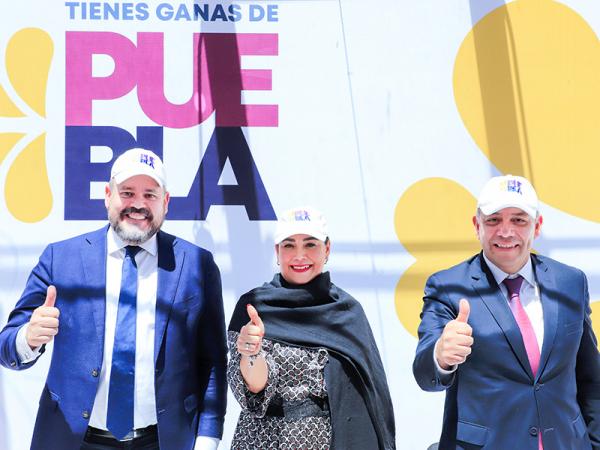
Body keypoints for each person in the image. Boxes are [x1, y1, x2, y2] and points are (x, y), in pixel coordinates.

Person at [0, 148, 227, 450]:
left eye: (150, 195)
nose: (138, 204)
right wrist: (28, 337)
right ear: (108, 196)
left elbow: (213, 362)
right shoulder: (60, 258)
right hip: (72, 440)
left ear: (166, 202)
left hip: (162, 441)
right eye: (127, 192)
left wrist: (207, 441)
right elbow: (6, 346)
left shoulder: (197, 264)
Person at [413, 174, 600, 449]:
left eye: (519, 220)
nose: (506, 231)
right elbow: (424, 373)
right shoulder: (448, 287)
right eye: (493, 220)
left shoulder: (570, 282)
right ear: (477, 225)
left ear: (537, 226)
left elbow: (590, 378)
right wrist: (441, 355)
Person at [227, 206, 396, 450]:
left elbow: (372, 393)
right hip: (266, 443)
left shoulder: (348, 312)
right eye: (289, 245)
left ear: (327, 249)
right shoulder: (255, 306)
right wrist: (251, 354)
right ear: (277, 251)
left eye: (310, 244)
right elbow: (254, 389)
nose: (299, 255)